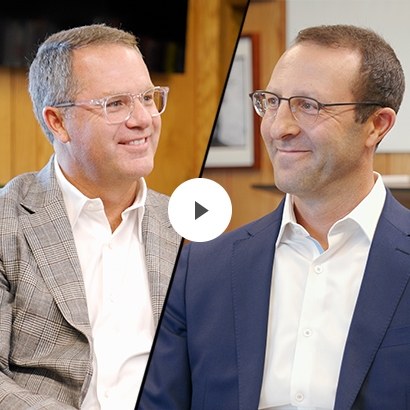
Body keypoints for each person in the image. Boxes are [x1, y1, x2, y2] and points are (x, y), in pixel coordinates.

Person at [137, 25, 409, 410]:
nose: (279, 127)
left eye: (308, 106)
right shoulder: (198, 269)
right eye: (271, 102)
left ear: (376, 125)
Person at [0, 24, 181, 409]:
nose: (143, 119)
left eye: (147, 98)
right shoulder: (7, 221)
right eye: (115, 104)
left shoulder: (185, 229)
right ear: (58, 122)